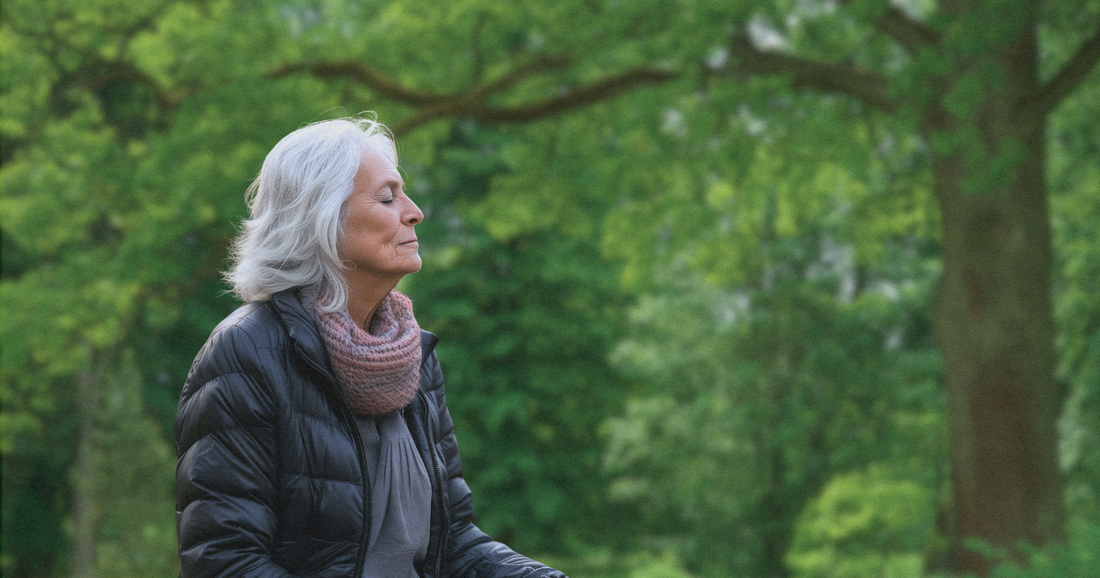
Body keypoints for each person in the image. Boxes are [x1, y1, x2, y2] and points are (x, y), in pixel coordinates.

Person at [175, 115, 567, 578]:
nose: (414, 211)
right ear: (321, 218)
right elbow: (225, 562)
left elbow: (452, 542)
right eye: (387, 197)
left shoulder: (411, 355)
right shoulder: (244, 354)